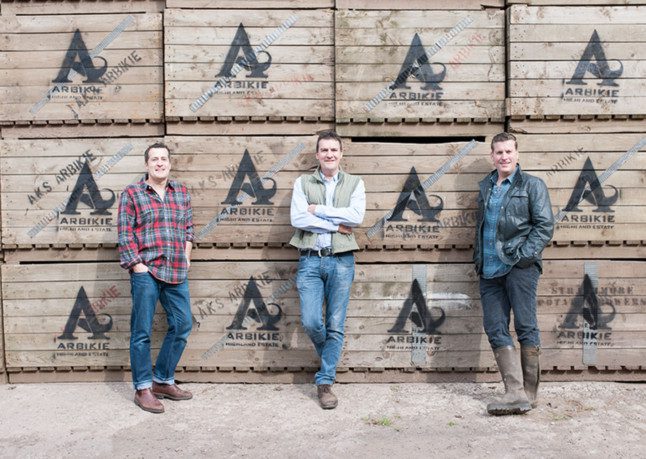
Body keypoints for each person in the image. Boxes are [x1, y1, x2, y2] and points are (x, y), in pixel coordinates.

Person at [474, 132, 554, 415]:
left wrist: (521, 255)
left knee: (525, 325)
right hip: (490, 270)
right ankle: (514, 392)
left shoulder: (532, 185)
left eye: (508, 151)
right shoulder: (486, 185)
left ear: (517, 154)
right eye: (499, 152)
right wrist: (479, 260)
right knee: (495, 326)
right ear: (492, 156)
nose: (504, 157)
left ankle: (529, 395)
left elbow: (544, 226)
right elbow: (483, 227)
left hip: (520, 267)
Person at [289, 130, 366, 409]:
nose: (329, 155)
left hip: (341, 260)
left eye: (334, 150)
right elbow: (297, 218)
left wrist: (317, 210)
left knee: (335, 323)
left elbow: (356, 217)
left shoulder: (355, 183)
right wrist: (335, 224)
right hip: (310, 258)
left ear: (341, 153)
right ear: (317, 154)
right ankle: (329, 359)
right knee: (311, 321)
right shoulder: (303, 182)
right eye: (324, 150)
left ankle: (325, 381)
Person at [117, 142, 194, 414]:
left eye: (164, 159)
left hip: (175, 270)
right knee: (142, 332)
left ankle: (162, 379)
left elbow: (188, 229)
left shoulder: (181, 192)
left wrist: (186, 256)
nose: (160, 163)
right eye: (154, 159)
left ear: (169, 163)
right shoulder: (132, 193)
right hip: (146, 272)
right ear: (146, 164)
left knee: (183, 324)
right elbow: (125, 234)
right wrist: (137, 266)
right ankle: (142, 388)